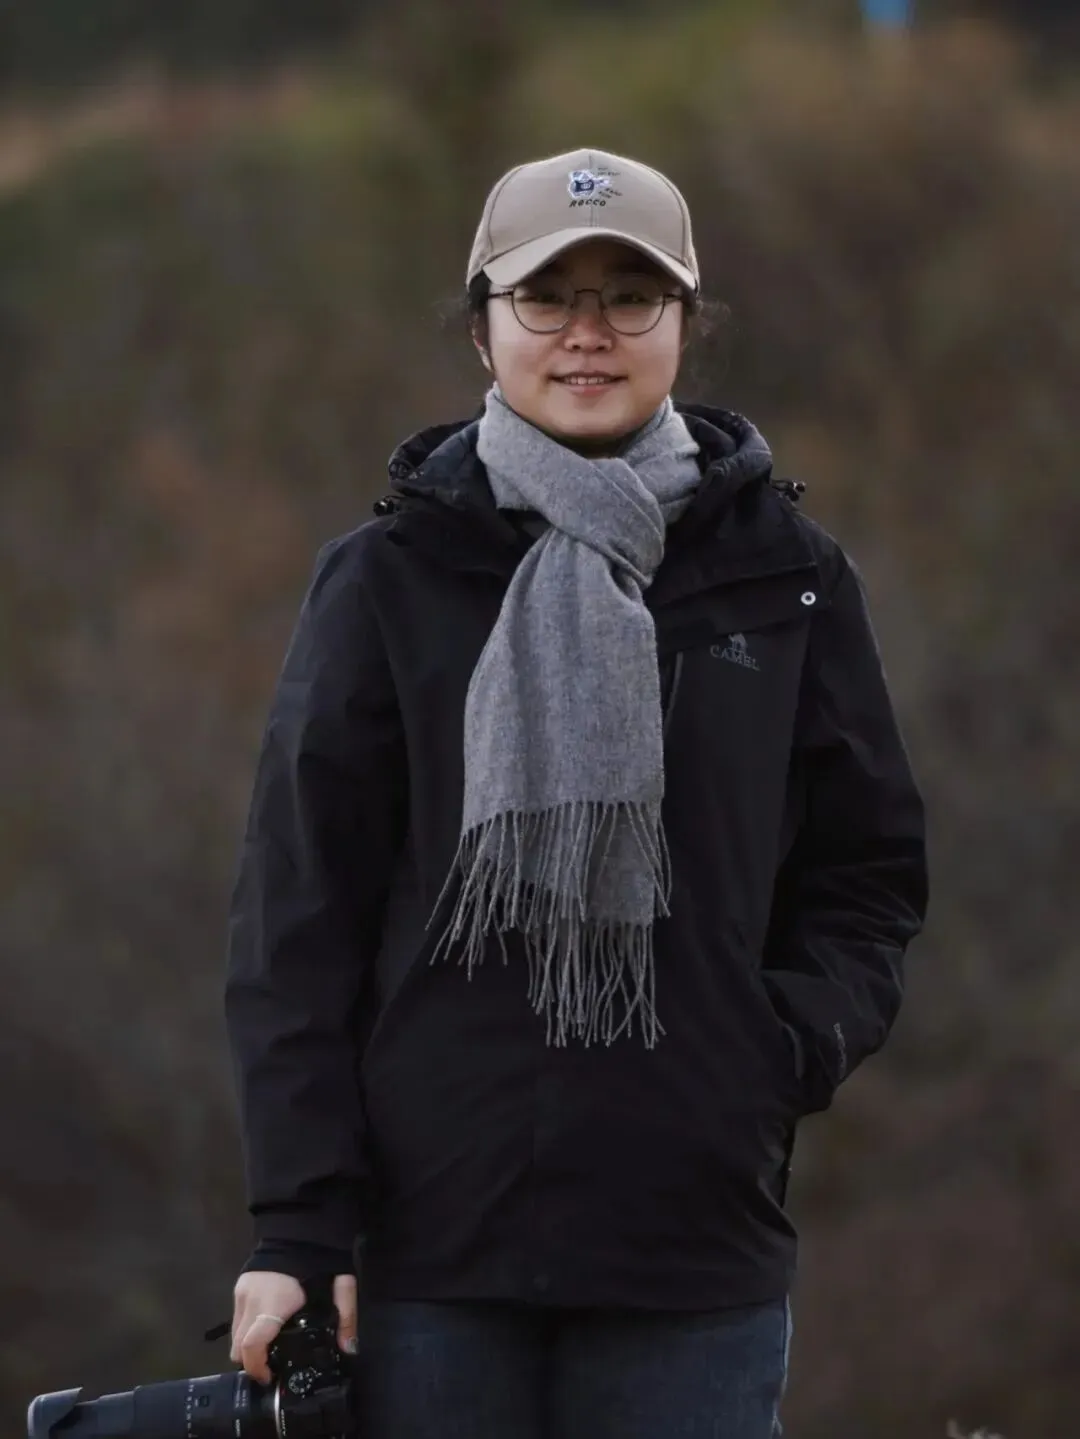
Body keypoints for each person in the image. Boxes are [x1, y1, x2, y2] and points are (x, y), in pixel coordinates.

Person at [224, 146, 928, 1438]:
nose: (588, 334)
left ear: (685, 322)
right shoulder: (387, 580)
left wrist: (774, 1053)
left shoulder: (790, 577)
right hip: (429, 1258)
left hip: (694, 1253)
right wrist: (296, 1228)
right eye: (546, 297)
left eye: (630, 296)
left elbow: (867, 874)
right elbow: (296, 923)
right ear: (483, 326)